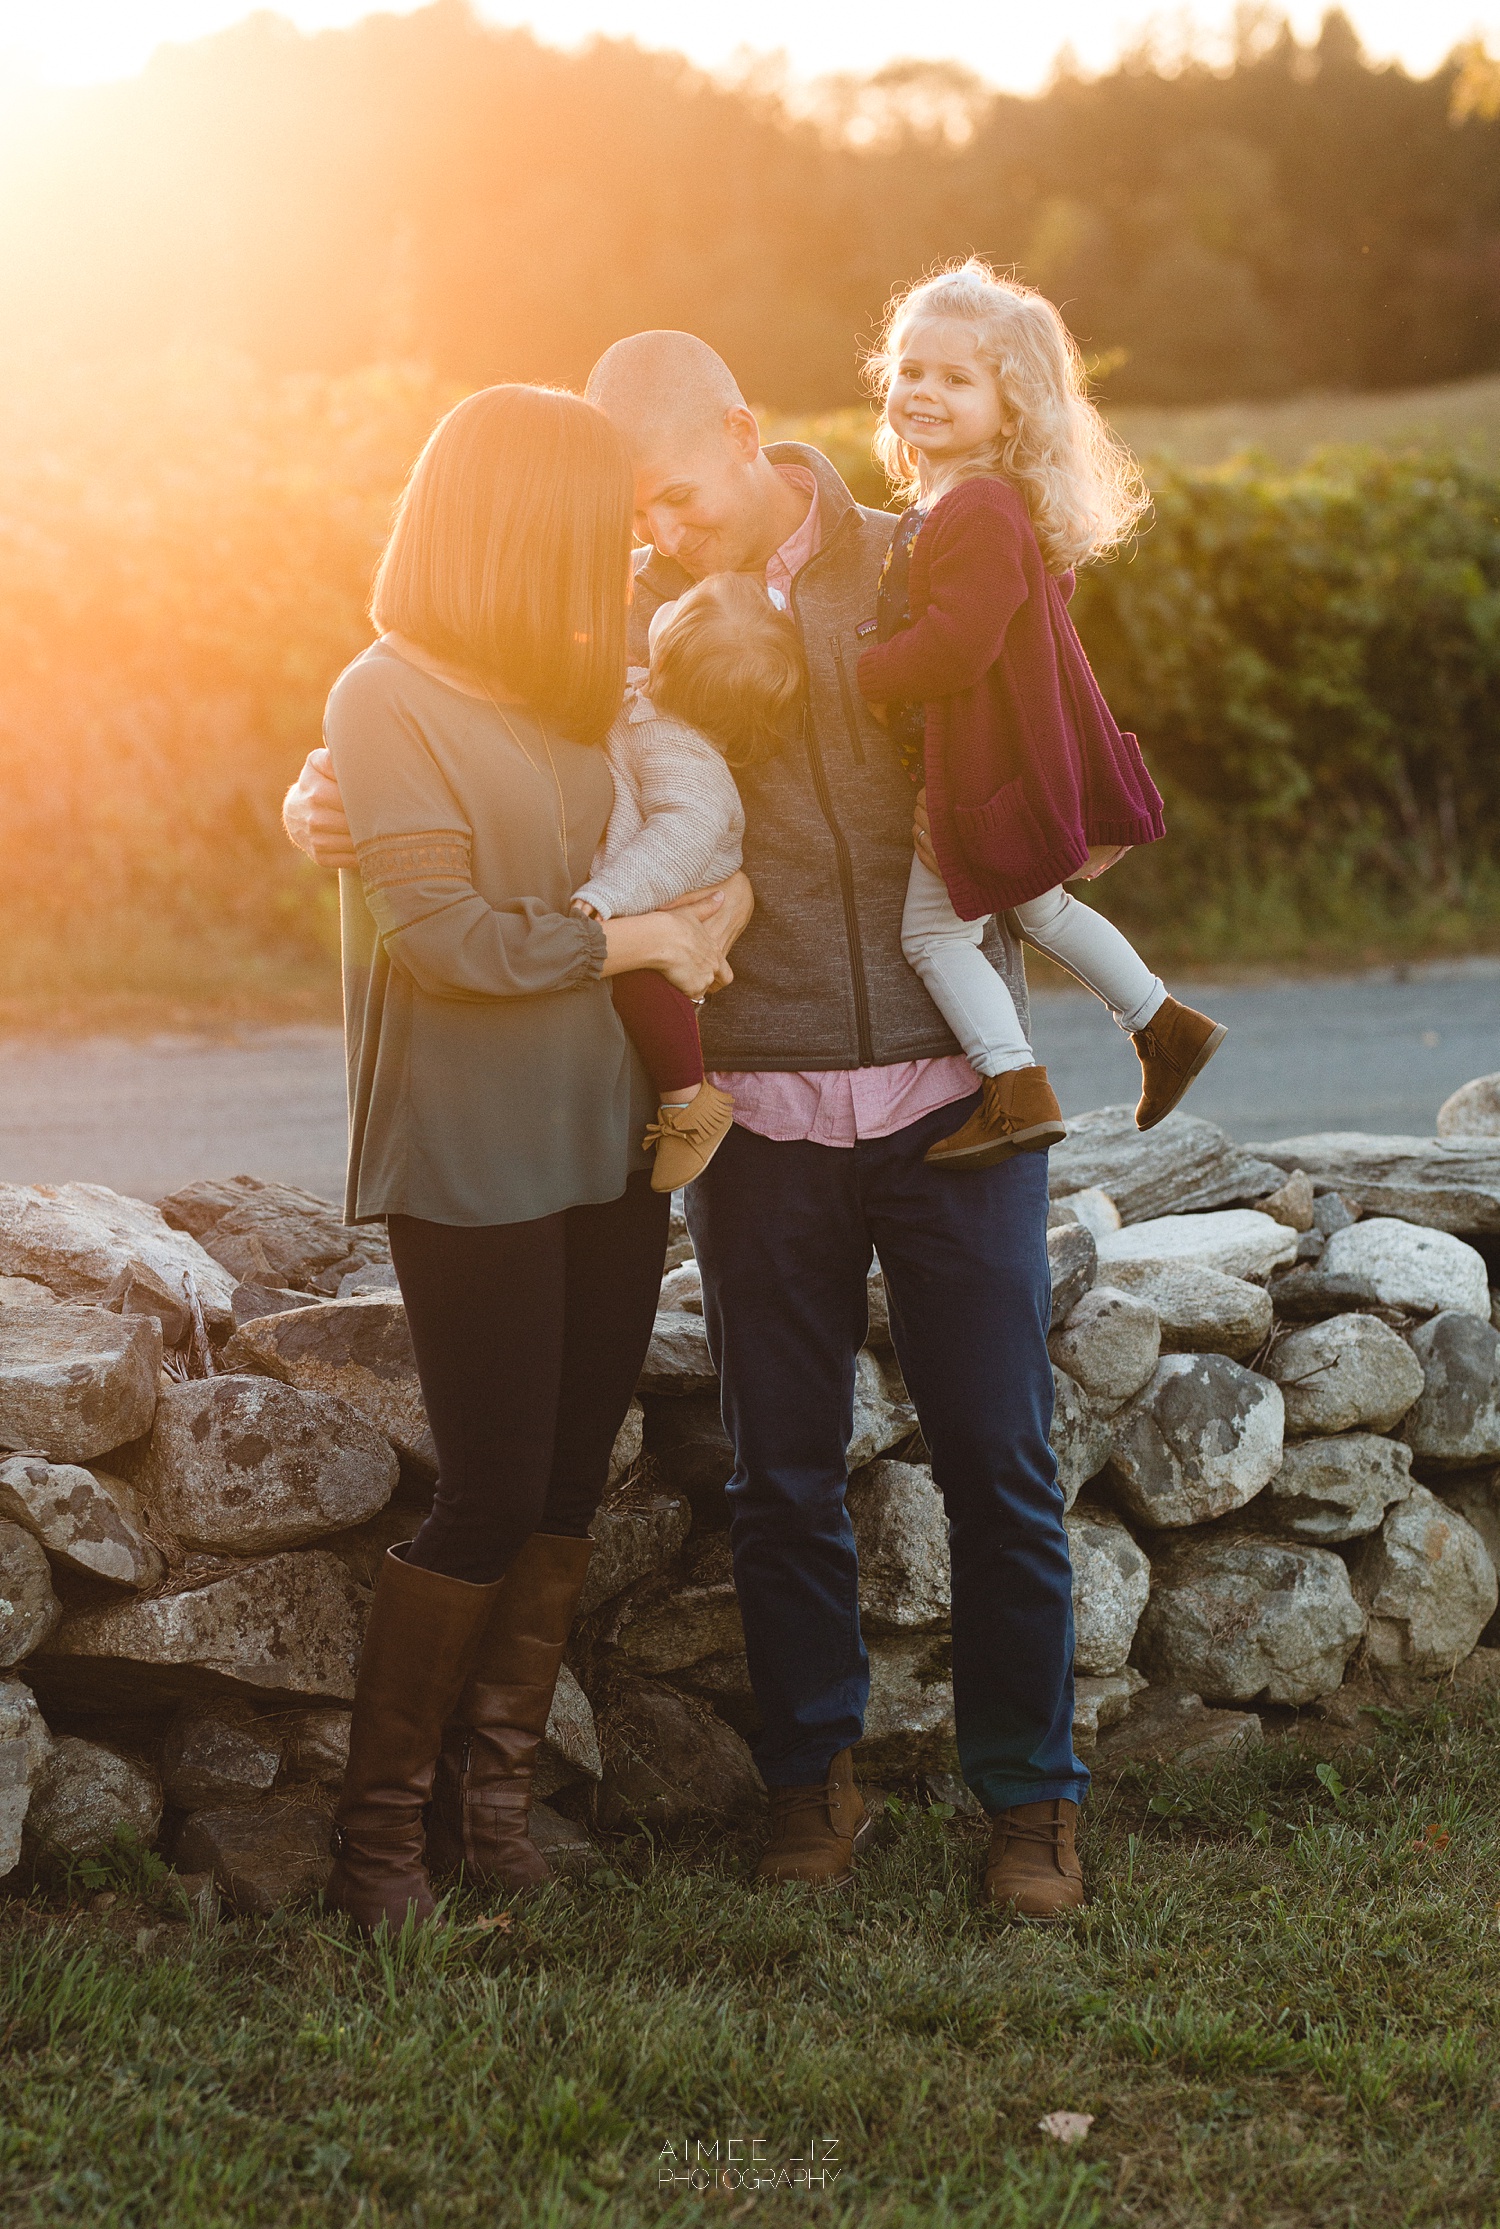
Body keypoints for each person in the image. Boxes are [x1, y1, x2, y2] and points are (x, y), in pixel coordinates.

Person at [286, 332, 1089, 1919]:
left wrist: (1076, 846)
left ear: (741, 432)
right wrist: (324, 794)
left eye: (659, 500)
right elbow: (468, 785)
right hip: (749, 1119)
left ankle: (1032, 1806)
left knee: (1000, 1462)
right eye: (623, 516)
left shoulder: (932, 564)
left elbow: (1052, 736)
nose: (649, 538)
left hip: (942, 1094)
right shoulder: (627, 641)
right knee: (773, 1478)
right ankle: (796, 1789)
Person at [318, 382, 748, 1935]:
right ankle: (379, 1847)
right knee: (491, 1483)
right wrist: (637, 932)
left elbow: (687, 830)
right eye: (605, 526)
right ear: (524, 527)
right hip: (474, 1138)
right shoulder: (385, 696)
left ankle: (492, 1806)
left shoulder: (575, 692)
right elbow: (442, 940)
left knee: (571, 1471)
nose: (631, 553)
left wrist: (705, 906)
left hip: (605, 1129)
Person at [859, 260, 1226, 1170]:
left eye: (956, 378)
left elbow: (957, 647)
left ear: (1011, 405)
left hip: (979, 769)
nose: (924, 392)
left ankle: (1014, 1086)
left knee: (933, 934)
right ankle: (1165, 1025)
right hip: (994, 758)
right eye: (910, 371)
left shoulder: (977, 505)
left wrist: (856, 671)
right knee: (1043, 909)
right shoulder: (959, 502)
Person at [574, 570, 806, 1191]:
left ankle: (689, 1104)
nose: (662, 601)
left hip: (675, 881)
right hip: (649, 881)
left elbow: (680, 839)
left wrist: (606, 899)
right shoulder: (642, 698)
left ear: (669, 650)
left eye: (674, 608)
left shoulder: (682, 751)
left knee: (643, 982)